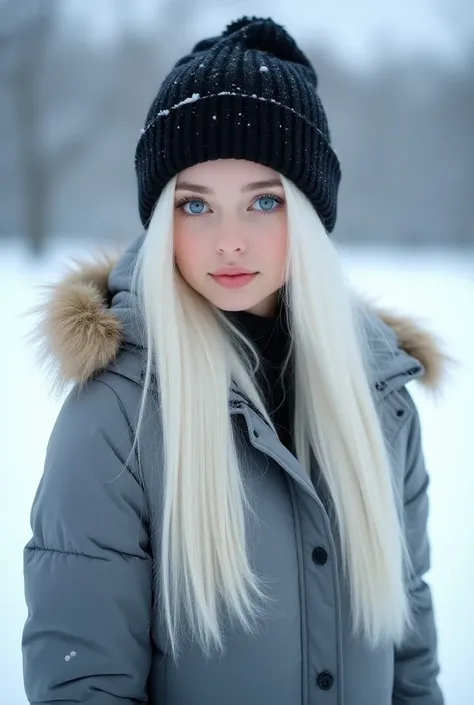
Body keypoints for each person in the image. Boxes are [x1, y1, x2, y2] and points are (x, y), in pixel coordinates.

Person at [22, 16, 446, 705]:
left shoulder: (382, 399)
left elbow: (412, 658)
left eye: (264, 202)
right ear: (163, 218)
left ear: (307, 215)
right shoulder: (117, 412)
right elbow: (84, 684)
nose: (229, 242)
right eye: (196, 205)